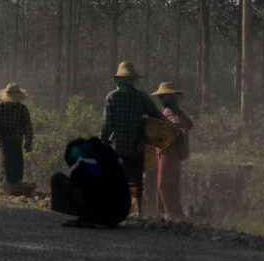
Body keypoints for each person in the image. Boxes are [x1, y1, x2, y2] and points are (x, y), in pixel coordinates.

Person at [100, 61, 161, 215]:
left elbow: (107, 123)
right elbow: (156, 115)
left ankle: (121, 208)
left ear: (119, 79)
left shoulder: (112, 97)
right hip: (136, 146)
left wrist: (103, 141)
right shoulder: (141, 97)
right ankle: (138, 211)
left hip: (117, 146)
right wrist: (169, 127)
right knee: (135, 179)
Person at [51, 137, 131, 228]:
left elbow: (79, 182)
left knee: (57, 178)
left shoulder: (75, 151)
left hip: (99, 213)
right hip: (120, 215)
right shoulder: (110, 151)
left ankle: (75, 217)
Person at [151, 81, 193, 218]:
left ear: (171, 97)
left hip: (168, 152)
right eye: (160, 96)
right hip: (167, 152)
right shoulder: (175, 112)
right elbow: (188, 124)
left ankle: (172, 215)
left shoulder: (171, 112)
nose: (160, 98)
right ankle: (168, 215)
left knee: (164, 184)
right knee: (169, 185)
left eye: (163, 96)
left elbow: (179, 126)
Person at [0, 83, 33, 186]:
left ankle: (16, 181)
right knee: (7, 160)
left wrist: (28, 142)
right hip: (3, 139)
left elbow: (28, 127)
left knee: (18, 161)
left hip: (17, 139)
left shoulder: (22, 109)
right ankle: (6, 182)